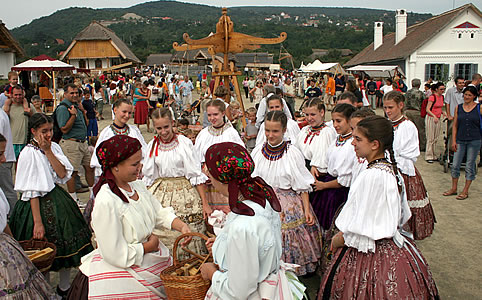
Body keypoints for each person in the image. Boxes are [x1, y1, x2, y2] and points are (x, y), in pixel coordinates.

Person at [318, 115, 439, 299]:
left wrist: (337, 240)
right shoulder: (389, 169)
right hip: (391, 247)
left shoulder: (373, 175)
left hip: (370, 250)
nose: (352, 143)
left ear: (375, 144)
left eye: (358, 139)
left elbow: (362, 226)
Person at [71, 135, 191, 299]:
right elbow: (114, 253)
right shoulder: (107, 201)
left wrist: (181, 226)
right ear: (115, 167)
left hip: (150, 262)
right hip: (122, 272)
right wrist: (148, 247)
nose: (140, 167)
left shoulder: (137, 187)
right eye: (134, 164)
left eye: (140, 162)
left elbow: (158, 212)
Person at [200, 142, 305, 299]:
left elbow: (239, 291)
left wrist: (212, 274)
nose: (209, 178)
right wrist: (224, 246)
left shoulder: (242, 225)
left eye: (210, 174)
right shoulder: (261, 200)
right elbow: (257, 249)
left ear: (221, 179)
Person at [9, 113, 93, 297]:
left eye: (50, 130)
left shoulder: (53, 147)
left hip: (56, 199)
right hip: (34, 206)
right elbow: (31, 190)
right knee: (40, 250)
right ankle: (45, 289)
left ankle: (63, 287)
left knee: (66, 246)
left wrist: (48, 151)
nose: (48, 134)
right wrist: (37, 222)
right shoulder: (28, 153)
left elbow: (63, 174)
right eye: (43, 131)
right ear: (33, 131)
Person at [251, 111, 322, 275]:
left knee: (287, 238)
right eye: (267, 130)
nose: (270, 135)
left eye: (275, 131)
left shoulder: (292, 153)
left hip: (288, 205)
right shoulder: (257, 152)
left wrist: (306, 210)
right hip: (263, 202)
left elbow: (302, 186)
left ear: (284, 131)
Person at [143, 108, 208, 253]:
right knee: (161, 225)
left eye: (166, 127)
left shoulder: (184, 143)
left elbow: (196, 175)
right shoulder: (152, 146)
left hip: (185, 191)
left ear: (173, 123)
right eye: (159, 128)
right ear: (154, 127)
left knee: (189, 227)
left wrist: (205, 203)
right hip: (161, 191)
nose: (163, 131)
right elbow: (149, 178)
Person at [0, 133, 57, 299]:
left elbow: (3, 221)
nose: (3, 159)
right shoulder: (28, 153)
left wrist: (15, 246)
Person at [383, 91, 435, 240]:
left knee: (404, 204)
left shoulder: (407, 126)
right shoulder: (387, 124)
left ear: (400, 105)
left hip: (402, 171)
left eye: (390, 107)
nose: (387, 111)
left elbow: (405, 152)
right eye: (385, 107)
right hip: (388, 168)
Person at [311, 104, 356, 273]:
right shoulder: (338, 138)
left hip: (337, 191)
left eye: (339, 121)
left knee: (332, 226)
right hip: (327, 184)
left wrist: (324, 185)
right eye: (334, 120)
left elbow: (345, 179)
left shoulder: (351, 144)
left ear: (349, 121)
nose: (335, 124)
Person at [195, 99, 244, 214]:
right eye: (210, 115)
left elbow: (240, 158)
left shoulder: (231, 133)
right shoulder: (203, 134)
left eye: (215, 114)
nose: (212, 118)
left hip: (225, 184)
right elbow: (196, 158)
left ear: (223, 113)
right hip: (207, 183)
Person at [56, 83, 94, 206]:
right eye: (71, 93)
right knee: (72, 172)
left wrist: (82, 112)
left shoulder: (77, 106)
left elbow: (86, 124)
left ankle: (93, 195)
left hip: (82, 142)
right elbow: (64, 129)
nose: (75, 95)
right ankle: (73, 199)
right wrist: (73, 115)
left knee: (89, 167)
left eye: (76, 93)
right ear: (65, 94)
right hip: (71, 143)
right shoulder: (63, 108)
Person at [443, 86, 481, 200]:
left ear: (474, 96)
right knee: (455, 164)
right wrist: (453, 140)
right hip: (460, 139)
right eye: (465, 94)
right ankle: (454, 188)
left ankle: (465, 190)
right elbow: (455, 125)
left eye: (469, 95)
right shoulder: (458, 108)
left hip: (474, 140)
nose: (467, 97)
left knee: (469, 165)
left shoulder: (479, 108)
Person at [295, 97, 336, 173]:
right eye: (307, 115)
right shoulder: (304, 130)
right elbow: (296, 150)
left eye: (313, 114)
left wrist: (316, 167)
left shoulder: (326, 132)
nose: (309, 118)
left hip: (316, 173)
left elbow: (323, 160)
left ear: (322, 112)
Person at [3, 85, 35, 160]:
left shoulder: (29, 106)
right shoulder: (6, 108)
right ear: (11, 95)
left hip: (25, 142)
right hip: (10, 143)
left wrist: (30, 113)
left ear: (23, 94)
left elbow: (37, 120)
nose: (18, 97)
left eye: (20, 94)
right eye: (16, 95)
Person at [348, 108, 376, 185]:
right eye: (352, 129)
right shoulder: (360, 153)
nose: (354, 132)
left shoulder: (377, 169)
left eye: (357, 128)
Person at [425, 82, 446, 162]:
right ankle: (429, 155)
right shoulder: (432, 97)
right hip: (431, 118)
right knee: (430, 137)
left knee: (436, 137)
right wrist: (434, 116)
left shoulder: (441, 97)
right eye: (441, 89)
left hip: (438, 118)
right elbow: (428, 109)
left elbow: (439, 107)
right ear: (436, 89)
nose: (442, 91)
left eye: (443, 89)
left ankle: (433, 154)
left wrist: (442, 113)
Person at [405, 78, 427, 151]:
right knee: (420, 130)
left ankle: (409, 145)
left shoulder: (407, 93)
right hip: (417, 112)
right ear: (419, 85)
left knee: (408, 130)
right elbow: (424, 103)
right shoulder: (421, 93)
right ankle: (422, 146)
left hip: (407, 111)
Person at [444, 76, 465, 148]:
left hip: (463, 116)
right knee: (451, 133)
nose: (462, 84)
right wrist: (448, 114)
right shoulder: (450, 91)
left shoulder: (466, 91)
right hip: (453, 116)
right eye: (460, 83)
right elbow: (447, 103)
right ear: (456, 84)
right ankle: (449, 150)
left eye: (463, 83)